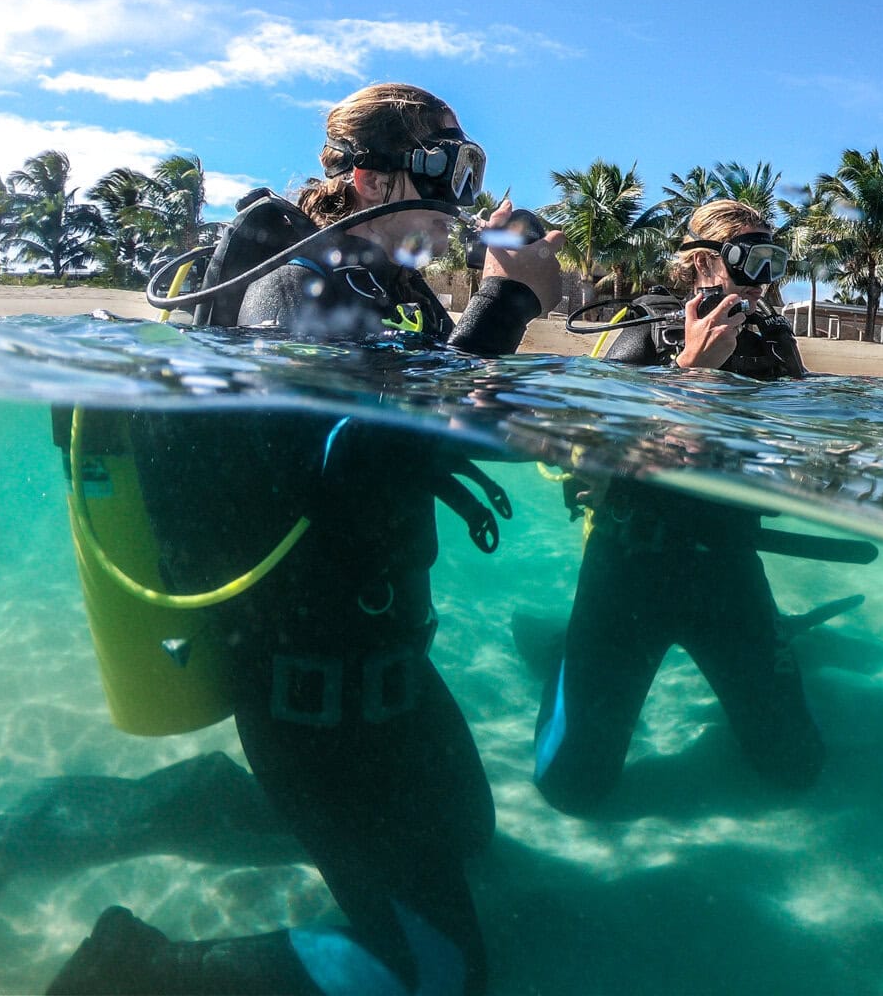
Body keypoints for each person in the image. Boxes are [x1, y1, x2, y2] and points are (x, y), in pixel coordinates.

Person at [46, 83, 564, 996]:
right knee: (438, 973)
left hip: (391, 662)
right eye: (443, 165)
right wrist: (508, 304)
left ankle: (209, 803)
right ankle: (136, 969)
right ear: (365, 177)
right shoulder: (295, 288)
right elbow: (358, 471)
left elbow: (455, 417)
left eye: (468, 166)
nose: (459, 194)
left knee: (470, 838)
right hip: (308, 692)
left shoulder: (401, 295)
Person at [532, 198, 825, 813]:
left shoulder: (774, 343)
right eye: (747, 258)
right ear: (700, 263)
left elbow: (811, 434)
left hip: (728, 568)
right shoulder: (641, 329)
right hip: (629, 566)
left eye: (773, 260)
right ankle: (568, 656)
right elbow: (569, 440)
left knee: (797, 766)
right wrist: (691, 374)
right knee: (572, 787)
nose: (762, 277)